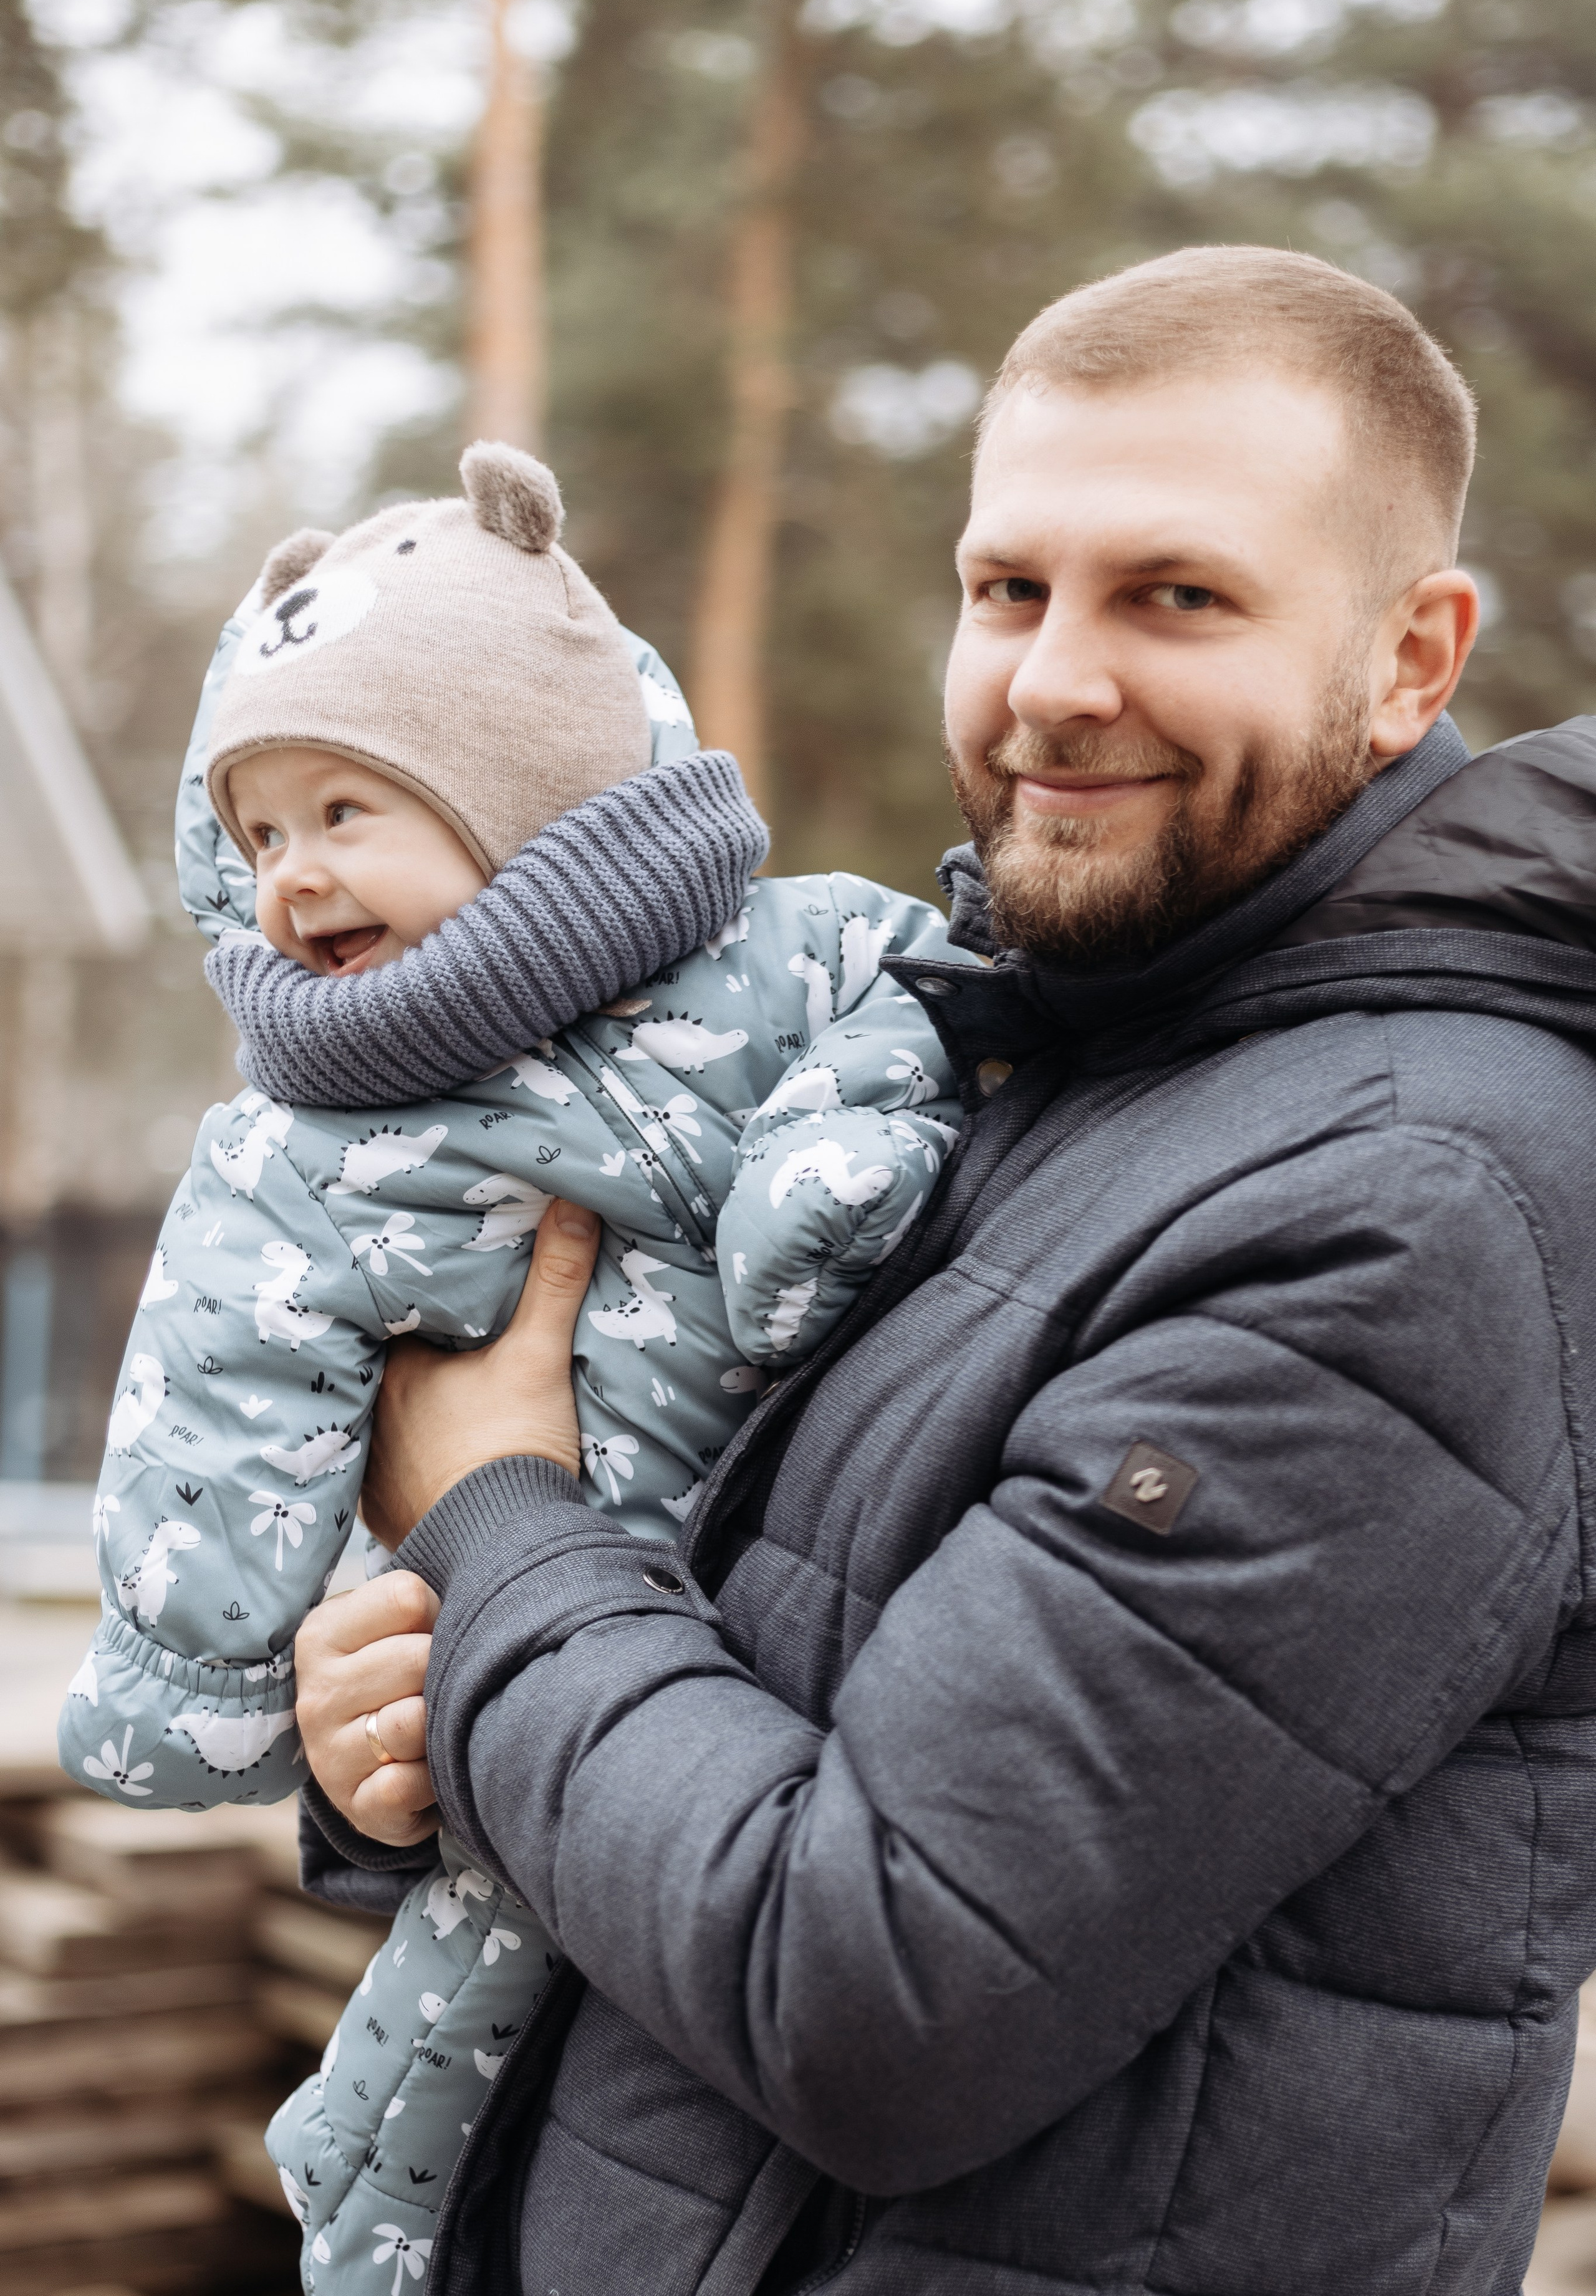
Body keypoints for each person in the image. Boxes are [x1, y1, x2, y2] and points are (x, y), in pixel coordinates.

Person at [292, 246, 1596, 2296]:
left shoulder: (1412, 1204)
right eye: (1009, 589)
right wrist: (428, 1721)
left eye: (1178, 595)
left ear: (1415, 658)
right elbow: (756, 1687)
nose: (1054, 680)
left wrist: (497, 1526)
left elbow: (875, 1982)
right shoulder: (1036, 1056)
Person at [58, 440, 964, 2291]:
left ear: (532, 792)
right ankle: (365, 2212)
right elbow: (217, 1392)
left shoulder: (786, 958)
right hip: (530, 1654)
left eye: (345, 810)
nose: (294, 878)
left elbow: (910, 1011)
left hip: (814, 1677)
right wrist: (200, 1674)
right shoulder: (308, 1137)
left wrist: (821, 1190)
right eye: (257, 835)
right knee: (456, 2008)